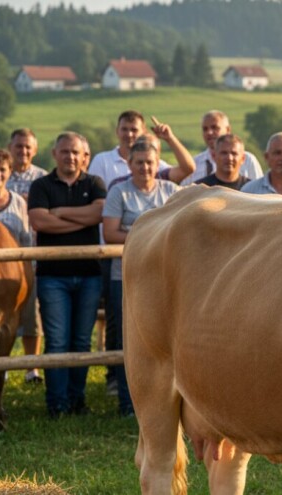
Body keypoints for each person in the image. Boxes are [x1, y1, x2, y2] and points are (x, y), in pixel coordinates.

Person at [28, 132, 106, 419]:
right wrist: (79, 217)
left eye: (75, 152)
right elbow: (39, 222)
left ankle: (78, 400)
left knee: (82, 341)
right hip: (53, 276)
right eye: (65, 152)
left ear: (84, 156)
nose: (70, 157)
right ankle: (57, 404)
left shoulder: (95, 183)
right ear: (54, 153)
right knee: (58, 340)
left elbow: (98, 215)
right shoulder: (41, 185)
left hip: (88, 275)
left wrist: (58, 213)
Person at [102, 139, 181, 416]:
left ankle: (169, 404)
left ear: (158, 163)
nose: (145, 167)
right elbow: (110, 233)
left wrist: (140, 235)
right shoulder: (118, 192)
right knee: (132, 341)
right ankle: (129, 403)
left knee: (165, 339)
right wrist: (154, 237)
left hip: (166, 279)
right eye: (139, 162)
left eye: (150, 162)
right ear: (129, 164)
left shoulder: (173, 191)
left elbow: (182, 232)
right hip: (125, 277)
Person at [6, 128, 46, 383]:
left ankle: (32, 367)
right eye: (18, 146)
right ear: (11, 147)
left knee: (32, 315)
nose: (23, 151)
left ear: (35, 149)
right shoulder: (1, 175)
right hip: (2, 260)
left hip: (29, 254)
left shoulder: (43, 178)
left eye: (27, 147)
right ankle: (4, 365)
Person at [88, 110, 195, 188]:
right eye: (124, 129)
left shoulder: (156, 165)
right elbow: (96, 198)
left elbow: (188, 168)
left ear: (144, 132)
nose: (129, 134)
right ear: (117, 131)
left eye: (134, 130)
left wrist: (170, 138)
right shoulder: (101, 160)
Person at [181, 110, 263, 185]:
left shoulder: (248, 160)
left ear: (228, 129)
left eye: (214, 127)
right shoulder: (193, 165)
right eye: (205, 129)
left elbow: (258, 192)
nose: (209, 132)